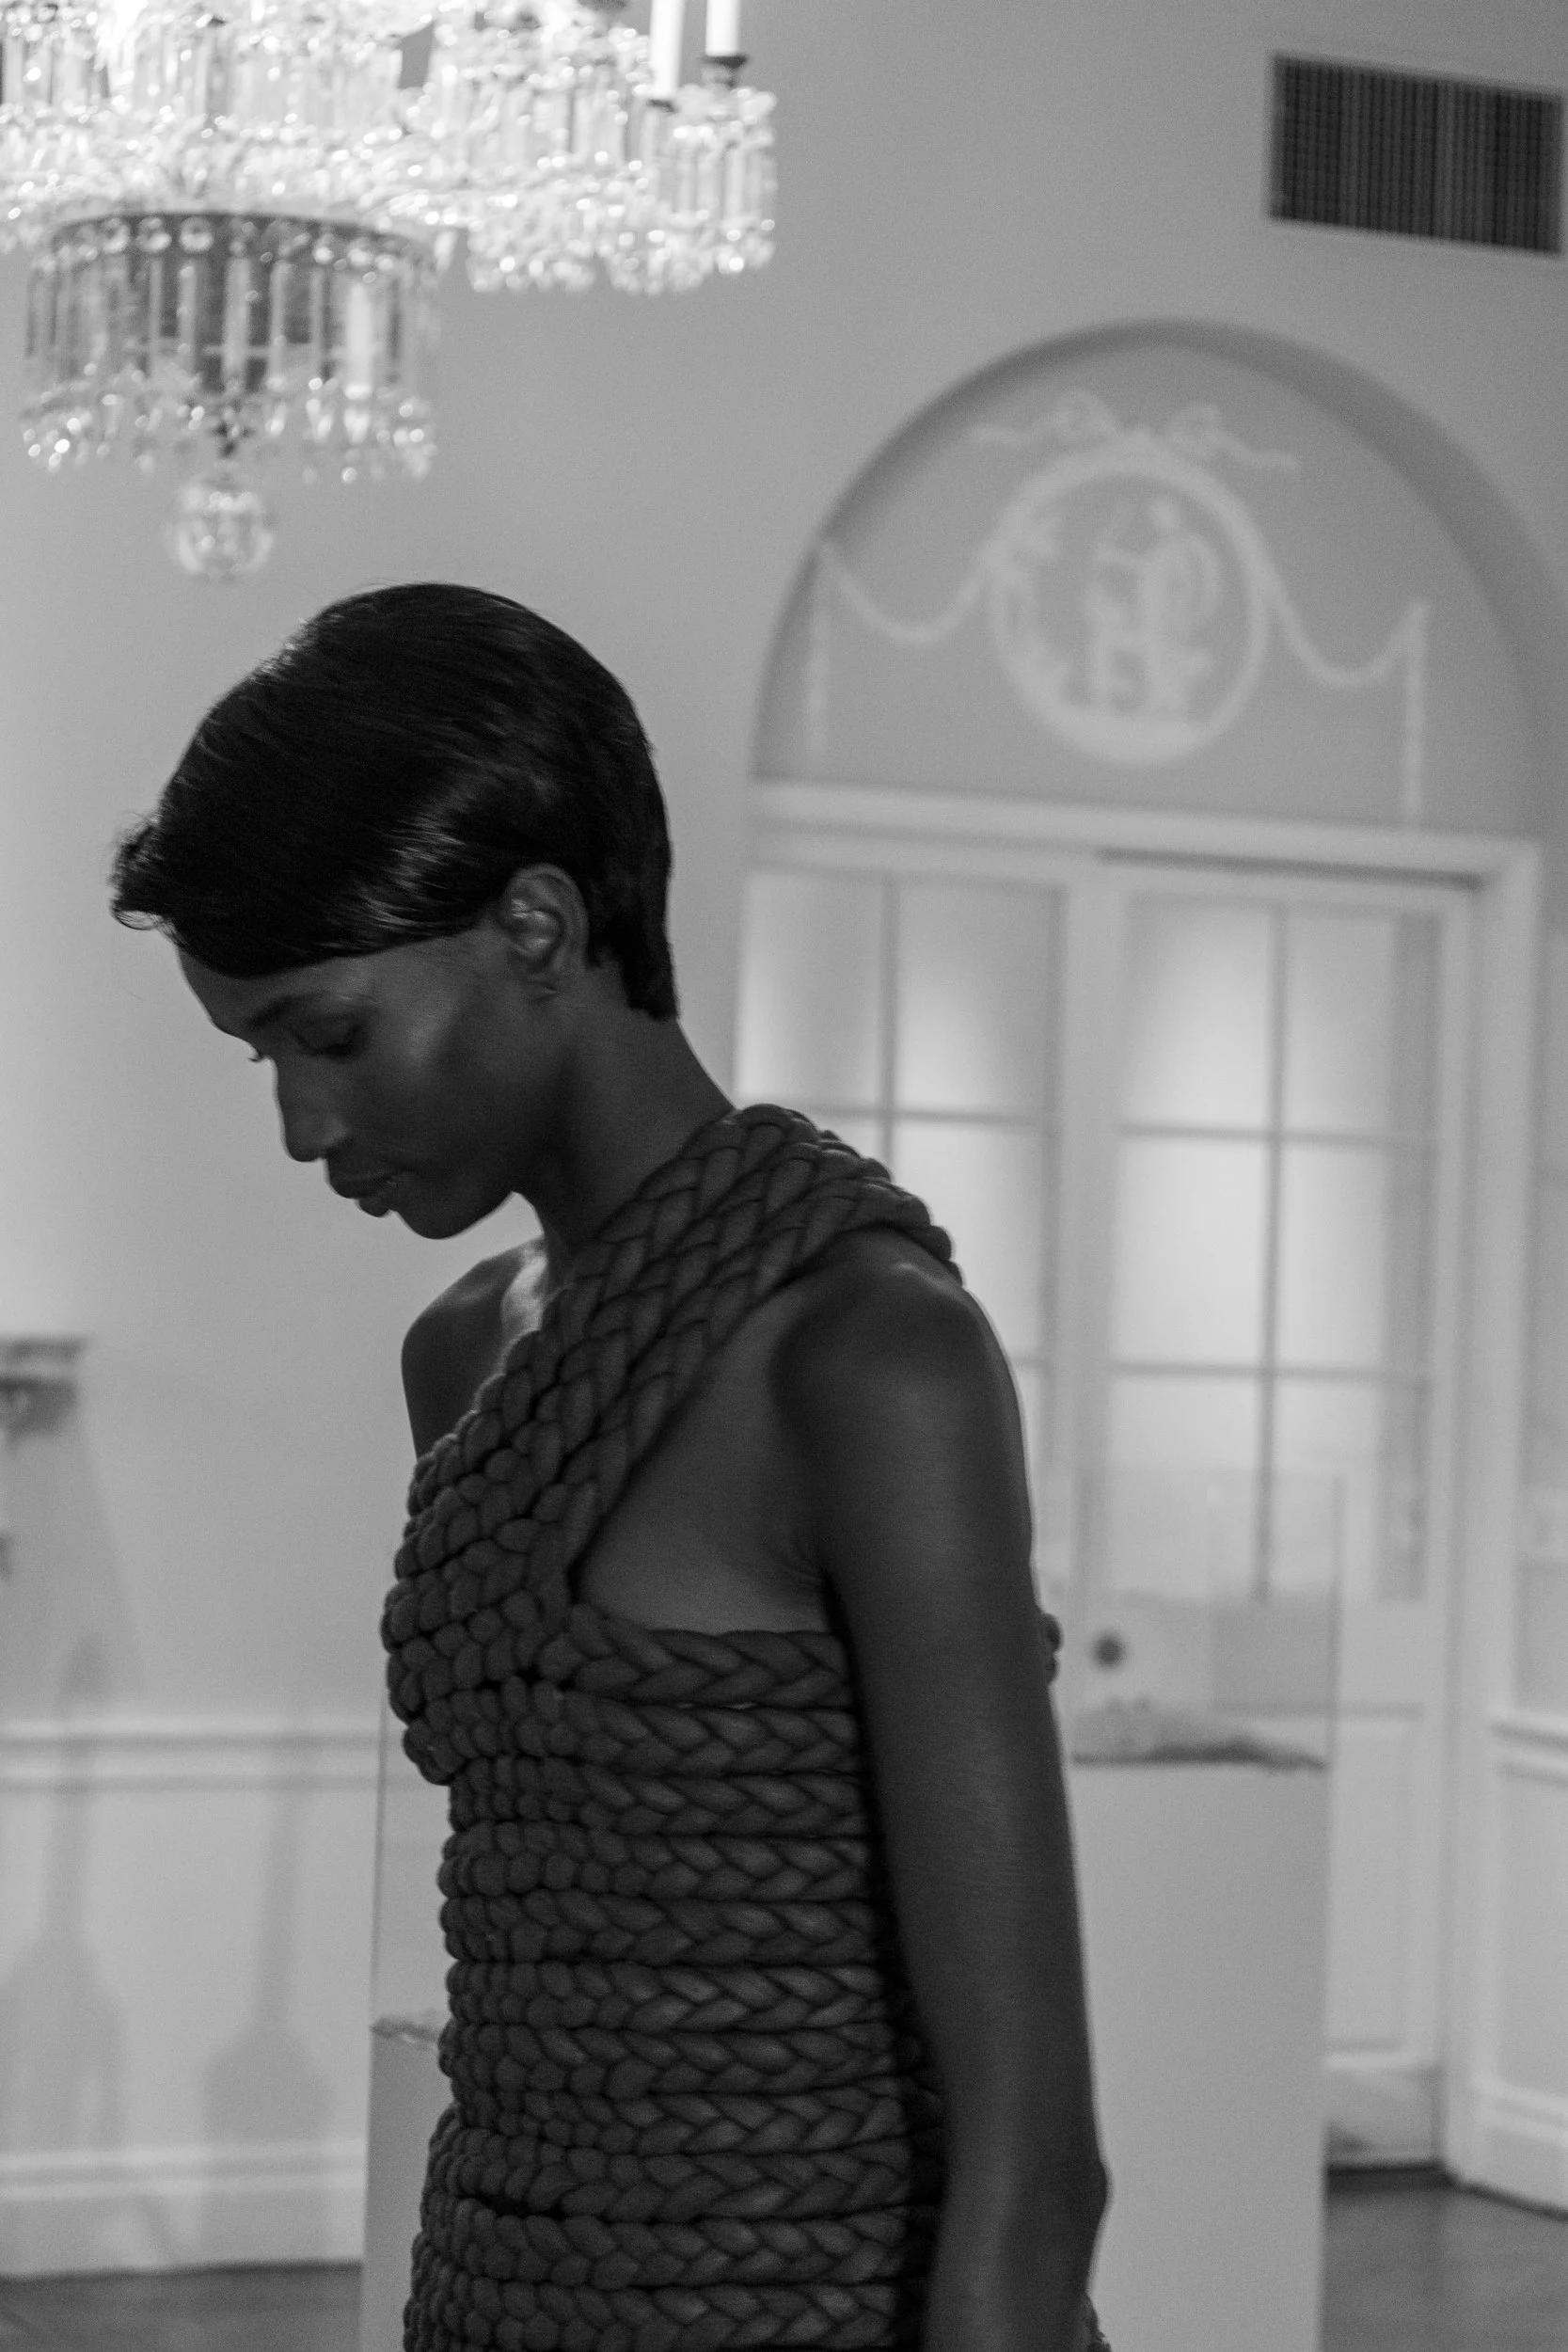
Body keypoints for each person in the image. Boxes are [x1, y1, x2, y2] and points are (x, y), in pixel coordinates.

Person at [110, 583, 1111, 2352]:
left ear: (537, 923)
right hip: (501, 2291)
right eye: (261, 1056)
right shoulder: (461, 1356)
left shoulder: (864, 1358)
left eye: (328, 1035)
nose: (301, 1125)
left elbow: (1033, 2176)